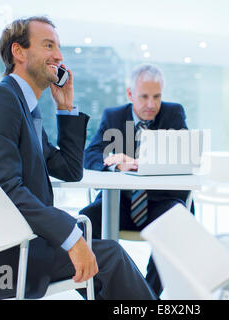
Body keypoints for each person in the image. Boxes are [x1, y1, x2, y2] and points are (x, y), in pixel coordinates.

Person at [0, 16, 155, 300]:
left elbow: (70, 169)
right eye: (48, 45)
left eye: (58, 47)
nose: (59, 56)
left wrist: (66, 108)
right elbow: (6, 189)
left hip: (11, 244)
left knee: (105, 258)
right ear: (19, 52)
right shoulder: (0, 101)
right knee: (109, 257)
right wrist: (72, 239)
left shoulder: (24, 108)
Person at [81, 64, 193, 297]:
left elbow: (186, 157)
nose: (151, 104)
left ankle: (146, 297)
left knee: (179, 220)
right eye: (144, 96)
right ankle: (104, 295)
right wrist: (114, 162)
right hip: (118, 204)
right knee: (83, 225)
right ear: (130, 94)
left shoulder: (173, 114)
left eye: (157, 96)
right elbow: (90, 154)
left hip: (158, 204)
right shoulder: (114, 117)